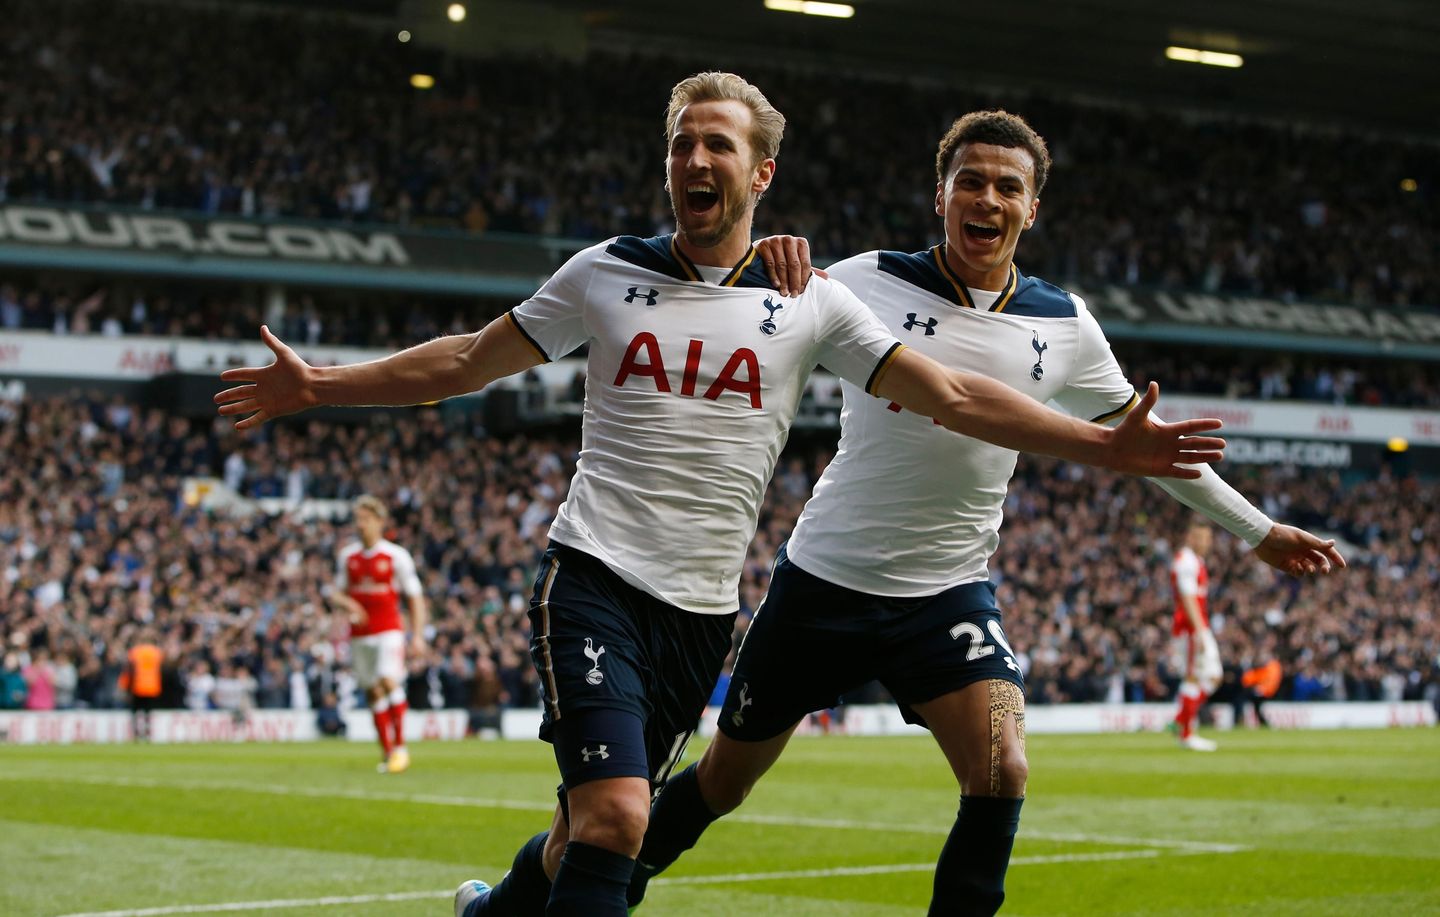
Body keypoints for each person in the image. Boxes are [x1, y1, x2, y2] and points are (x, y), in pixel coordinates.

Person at [215, 75, 1225, 917]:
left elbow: (956, 393)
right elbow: (469, 360)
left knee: (587, 836)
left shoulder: (809, 301)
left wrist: (1106, 446)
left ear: (761, 172)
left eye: (718, 147)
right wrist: (320, 384)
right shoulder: (603, 274)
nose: (696, 162)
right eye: (682, 145)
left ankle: (494, 909)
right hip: (594, 575)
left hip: (700, 610)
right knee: (615, 817)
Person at [628, 110, 1344, 916]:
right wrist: (769, 255)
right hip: (825, 582)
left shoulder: (1065, 324)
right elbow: (729, 296)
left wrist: (1260, 530)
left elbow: (1149, 449)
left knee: (1003, 765)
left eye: (1009, 186)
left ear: (1031, 208)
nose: (988, 198)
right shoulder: (863, 280)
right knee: (723, 780)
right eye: (971, 181)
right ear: (942, 195)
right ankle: (561, 891)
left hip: (947, 592)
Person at [328, 494, 428, 774]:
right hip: (360, 634)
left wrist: (417, 635)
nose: (360, 525)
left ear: (379, 521)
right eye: (357, 519)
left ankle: (401, 748)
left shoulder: (396, 555)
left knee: (387, 680)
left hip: (389, 630)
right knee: (372, 690)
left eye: (365, 519)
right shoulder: (347, 557)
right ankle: (388, 751)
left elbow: (415, 597)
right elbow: (336, 592)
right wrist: (349, 603)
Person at [1172, 521, 1222, 750]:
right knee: (1193, 676)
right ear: (1190, 538)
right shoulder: (1186, 561)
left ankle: (1180, 721)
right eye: (1202, 538)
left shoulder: (1196, 561)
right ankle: (1186, 733)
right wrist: (1200, 631)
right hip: (1192, 628)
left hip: (1199, 626)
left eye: (1208, 539)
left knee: (1212, 676)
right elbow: (1188, 599)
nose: (1207, 543)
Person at [119, 630, 164, 741]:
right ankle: (148, 733)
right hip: (153, 687)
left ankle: (137, 733)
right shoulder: (157, 652)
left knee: (136, 712)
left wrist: (125, 686)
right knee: (148, 712)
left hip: (137, 686)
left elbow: (130, 670)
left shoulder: (135, 652)